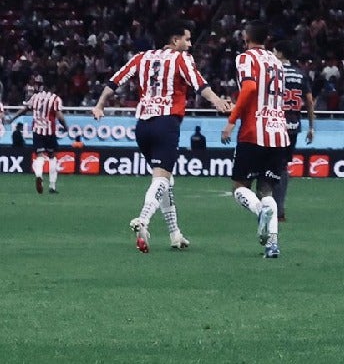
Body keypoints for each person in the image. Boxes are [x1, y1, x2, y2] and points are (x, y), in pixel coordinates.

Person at [93, 19, 231, 252]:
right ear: (175, 40)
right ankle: (143, 219)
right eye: (187, 39)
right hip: (166, 123)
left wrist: (99, 105)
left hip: (143, 127)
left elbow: (114, 81)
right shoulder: (181, 58)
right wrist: (217, 101)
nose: (189, 44)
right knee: (161, 179)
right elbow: (199, 83)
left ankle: (175, 234)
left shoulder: (141, 58)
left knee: (166, 179)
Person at [221, 20, 290, 259]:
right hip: (279, 133)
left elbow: (250, 88)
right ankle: (272, 244)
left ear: (246, 37)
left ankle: (261, 211)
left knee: (239, 187)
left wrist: (232, 120)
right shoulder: (277, 62)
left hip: (254, 132)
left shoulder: (245, 58)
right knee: (266, 189)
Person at [273, 40, 316, 222]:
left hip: (274, 126)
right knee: (283, 167)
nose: (272, 54)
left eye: (274, 51)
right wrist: (311, 127)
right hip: (293, 127)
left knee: (269, 166)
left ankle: (270, 206)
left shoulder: (273, 72)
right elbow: (309, 102)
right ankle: (280, 208)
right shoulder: (300, 74)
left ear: (280, 53)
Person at [9, 79, 69, 194]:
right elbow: (59, 116)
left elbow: (24, 109)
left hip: (37, 131)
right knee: (52, 156)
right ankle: (52, 186)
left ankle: (38, 175)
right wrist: (66, 126)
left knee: (40, 156)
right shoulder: (55, 99)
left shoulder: (35, 97)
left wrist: (13, 117)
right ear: (53, 88)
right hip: (49, 131)